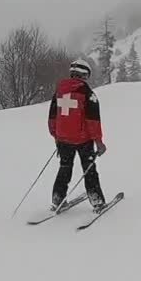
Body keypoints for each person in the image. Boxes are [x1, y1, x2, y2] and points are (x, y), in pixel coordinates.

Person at [48, 58, 107, 211]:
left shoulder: (59, 91)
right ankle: (97, 200)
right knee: (89, 170)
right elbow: (93, 120)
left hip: (63, 140)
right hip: (83, 141)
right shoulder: (88, 93)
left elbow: (52, 117)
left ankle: (57, 199)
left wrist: (56, 136)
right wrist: (99, 142)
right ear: (85, 75)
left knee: (64, 168)